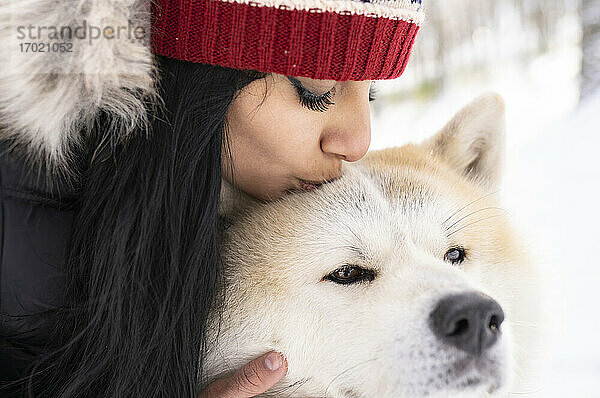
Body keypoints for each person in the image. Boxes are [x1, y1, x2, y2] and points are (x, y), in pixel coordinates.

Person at [0, 0, 424, 396]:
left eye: (369, 94)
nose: (357, 141)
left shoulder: (242, 195)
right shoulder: (16, 200)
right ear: (205, 62)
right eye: (316, 89)